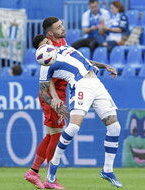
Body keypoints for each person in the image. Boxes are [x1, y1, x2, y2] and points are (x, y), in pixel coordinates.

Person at [39, 45, 123, 188]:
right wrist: (54, 103)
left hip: (97, 83)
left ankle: (107, 170)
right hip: (80, 85)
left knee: (115, 127)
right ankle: (54, 164)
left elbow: (85, 61)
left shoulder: (65, 48)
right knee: (73, 127)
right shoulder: (45, 67)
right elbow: (43, 90)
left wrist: (105, 66)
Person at [24, 16, 67, 190]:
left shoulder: (62, 40)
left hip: (61, 92)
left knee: (51, 135)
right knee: (56, 135)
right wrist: (55, 97)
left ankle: (33, 172)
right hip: (51, 96)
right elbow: (46, 75)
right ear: (50, 33)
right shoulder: (46, 49)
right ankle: (50, 178)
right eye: (59, 26)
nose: (63, 28)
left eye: (62, 24)